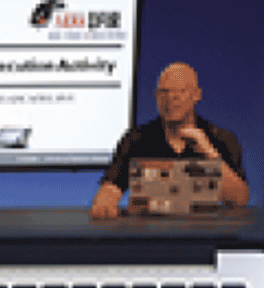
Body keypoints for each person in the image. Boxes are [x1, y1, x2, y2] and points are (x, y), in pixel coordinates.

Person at [91, 63, 250, 219]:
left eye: (181, 91)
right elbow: (111, 187)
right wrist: (106, 200)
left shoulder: (221, 138)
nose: (171, 98)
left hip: (202, 235)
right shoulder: (135, 139)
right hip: (150, 236)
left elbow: (239, 200)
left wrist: (210, 154)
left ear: (196, 95)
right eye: (164, 91)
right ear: (156, 96)